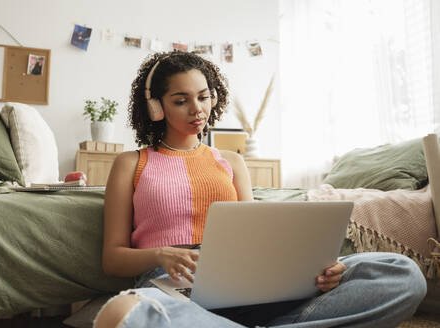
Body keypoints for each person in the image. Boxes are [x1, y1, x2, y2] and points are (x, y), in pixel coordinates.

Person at [95, 51, 426, 328]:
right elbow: (112, 259)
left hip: (245, 284)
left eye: (204, 96)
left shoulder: (231, 162)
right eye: (181, 101)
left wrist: (319, 272)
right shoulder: (130, 163)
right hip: (172, 288)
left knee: (402, 274)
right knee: (125, 312)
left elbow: (256, 241)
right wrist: (160, 254)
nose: (197, 109)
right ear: (156, 107)